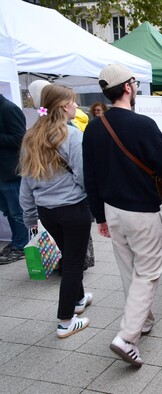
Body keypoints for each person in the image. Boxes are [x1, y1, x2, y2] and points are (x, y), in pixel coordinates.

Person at [83, 64, 162, 367]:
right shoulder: (143, 125)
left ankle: (143, 321)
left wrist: (100, 217)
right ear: (128, 87)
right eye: (134, 83)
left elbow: (90, 176)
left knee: (129, 269)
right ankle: (127, 336)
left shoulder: (93, 127)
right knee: (147, 272)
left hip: (112, 209)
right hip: (142, 211)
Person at [19, 84, 92, 337]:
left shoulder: (31, 136)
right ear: (63, 106)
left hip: (46, 211)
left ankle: (79, 299)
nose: (76, 106)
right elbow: (83, 175)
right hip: (73, 207)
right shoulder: (72, 136)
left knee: (70, 256)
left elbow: (25, 183)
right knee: (73, 262)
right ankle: (65, 320)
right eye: (73, 102)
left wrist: (29, 216)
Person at [0, 94, 28, 264]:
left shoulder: (9, 109)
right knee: (9, 211)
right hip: (3, 172)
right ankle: (18, 242)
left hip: (11, 172)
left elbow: (20, 138)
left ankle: (22, 245)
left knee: (17, 211)